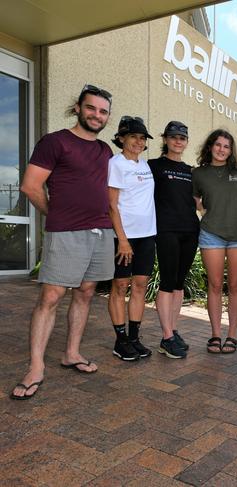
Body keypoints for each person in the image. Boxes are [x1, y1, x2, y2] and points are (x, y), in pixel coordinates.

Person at [11, 84, 114, 400]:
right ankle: (36, 366)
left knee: (85, 293)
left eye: (103, 111)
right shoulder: (55, 142)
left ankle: (71, 352)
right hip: (66, 231)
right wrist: (55, 215)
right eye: (91, 108)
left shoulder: (105, 150)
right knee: (52, 296)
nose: (97, 115)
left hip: (101, 231)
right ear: (78, 108)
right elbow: (30, 187)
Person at [193, 129, 237, 354]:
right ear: (210, 146)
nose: (222, 150)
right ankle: (216, 334)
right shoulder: (198, 173)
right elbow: (196, 201)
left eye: (226, 146)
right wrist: (204, 212)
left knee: (235, 286)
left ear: (230, 150)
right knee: (215, 285)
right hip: (211, 233)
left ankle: (232, 335)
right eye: (218, 145)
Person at [107, 116, 157, 361]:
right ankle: (121, 340)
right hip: (125, 238)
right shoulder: (115, 164)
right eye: (133, 136)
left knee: (139, 286)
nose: (138, 141)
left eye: (142, 138)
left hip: (147, 236)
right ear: (121, 138)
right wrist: (123, 239)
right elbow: (112, 205)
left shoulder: (144, 165)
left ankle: (134, 338)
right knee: (120, 286)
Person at [148, 121, 199, 359]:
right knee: (168, 283)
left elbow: (200, 203)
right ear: (165, 139)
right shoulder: (154, 166)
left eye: (182, 138)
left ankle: (174, 329)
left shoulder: (192, 171)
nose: (178, 141)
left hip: (190, 230)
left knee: (179, 283)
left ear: (186, 142)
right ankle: (166, 337)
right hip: (166, 230)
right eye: (174, 137)